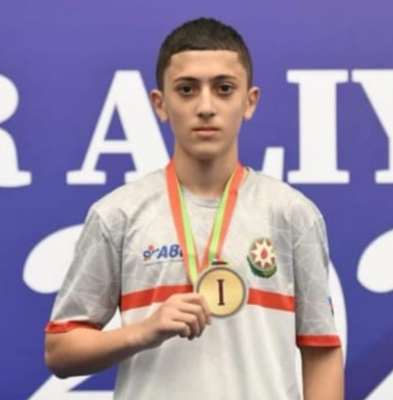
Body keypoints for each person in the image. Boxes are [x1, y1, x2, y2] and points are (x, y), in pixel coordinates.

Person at [44, 17, 344, 400]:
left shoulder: (292, 214)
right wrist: (143, 331)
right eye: (186, 89)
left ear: (249, 101)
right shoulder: (118, 214)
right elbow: (60, 351)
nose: (205, 106)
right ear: (161, 104)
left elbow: (321, 349)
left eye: (224, 89)